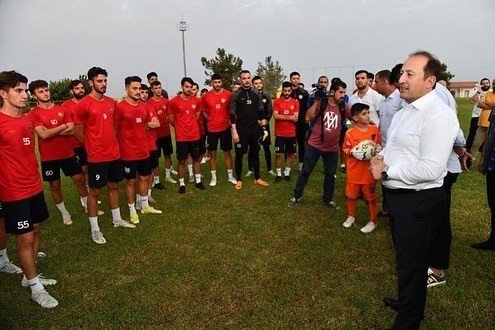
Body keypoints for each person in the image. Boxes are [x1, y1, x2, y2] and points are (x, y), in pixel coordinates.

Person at [370, 51, 459, 329]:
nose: (402, 80)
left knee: (412, 262)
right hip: (399, 198)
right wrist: (380, 155)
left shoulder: (438, 115)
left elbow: (430, 169)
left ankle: (409, 320)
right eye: (402, 73)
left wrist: (386, 171)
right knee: (407, 259)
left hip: (418, 202)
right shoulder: (404, 110)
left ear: (430, 81)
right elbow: (397, 149)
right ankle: (409, 301)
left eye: (410, 74)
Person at [0, 70, 58, 308]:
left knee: (36, 231)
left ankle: (28, 276)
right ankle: (36, 288)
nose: (25, 95)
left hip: (34, 187)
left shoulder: (27, 119)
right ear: (3, 94)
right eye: (19, 91)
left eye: (25, 90)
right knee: (24, 239)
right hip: (13, 192)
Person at [74, 67, 135, 245]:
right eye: (100, 81)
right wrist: (92, 148)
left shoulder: (111, 103)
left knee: (114, 186)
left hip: (114, 154)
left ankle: (117, 220)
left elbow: (114, 127)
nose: (103, 84)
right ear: (91, 82)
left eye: (105, 81)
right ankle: (95, 229)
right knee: (94, 192)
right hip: (96, 157)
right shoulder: (84, 104)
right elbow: (78, 132)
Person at [28, 80, 89, 225]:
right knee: (55, 186)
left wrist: (50, 131)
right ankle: (65, 213)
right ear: (34, 95)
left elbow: (72, 129)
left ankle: (87, 206)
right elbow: (43, 135)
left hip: (68, 153)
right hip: (49, 157)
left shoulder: (62, 109)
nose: (45, 93)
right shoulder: (33, 114)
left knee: (80, 180)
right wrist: (62, 127)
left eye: (46, 90)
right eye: (41, 91)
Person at [289, 79, 350, 208]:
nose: (343, 95)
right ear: (333, 92)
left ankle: (328, 199)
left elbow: (355, 117)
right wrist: (317, 101)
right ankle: (297, 196)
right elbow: (307, 117)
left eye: (344, 92)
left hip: (332, 148)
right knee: (305, 171)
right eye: (340, 92)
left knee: (330, 175)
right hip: (314, 145)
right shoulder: (321, 103)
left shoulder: (344, 106)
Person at [115, 76, 162, 224]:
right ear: (127, 89)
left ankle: (145, 206)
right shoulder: (120, 107)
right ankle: (132, 210)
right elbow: (114, 129)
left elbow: (153, 123)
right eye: (134, 88)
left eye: (139, 88)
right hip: (128, 152)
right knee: (130, 181)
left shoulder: (143, 107)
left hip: (144, 150)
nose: (137, 91)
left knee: (144, 177)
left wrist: (147, 125)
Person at [342, 103, 381, 233]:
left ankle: (373, 220)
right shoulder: (350, 133)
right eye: (364, 114)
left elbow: (378, 145)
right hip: (354, 172)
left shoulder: (374, 129)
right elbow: (345, 149)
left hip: (369, 172)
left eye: (368, 113)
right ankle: (351, 216)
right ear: (355, 118)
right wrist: (352, 152)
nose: (368, 115)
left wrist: (378, 149)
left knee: (370, 197)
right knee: (351, 195)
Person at [229, 70, 269, 189]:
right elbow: (232, 115)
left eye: (248, 78)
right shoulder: (235, 95)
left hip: (255, 130)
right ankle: (239, 179)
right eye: (244, 78)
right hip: (241, 130)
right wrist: (234, 132)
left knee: (255, 153)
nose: (246, 80)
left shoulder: (256, 93)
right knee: (239, 155)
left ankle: (257, 178)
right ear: (240, 80)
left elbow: (261, 111)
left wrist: (264, 128)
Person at [373, 70, 403, 217]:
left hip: (397, 149)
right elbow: (382, 124)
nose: (374, 85)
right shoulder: (383, 100)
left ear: (385, 81)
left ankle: (396, 209)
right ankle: (386, 208)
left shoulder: (400, 99)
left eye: (376, 82)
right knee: (384, 178)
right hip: (384, 147)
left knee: (394, 178)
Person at [168, 77, 205, 194]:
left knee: (196, 159)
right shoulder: (174, 101)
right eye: (186, 87)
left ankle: (198, 181)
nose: (189, 89)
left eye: (190, 87)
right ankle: (182, 183)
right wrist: (180, 126)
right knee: (182, 161)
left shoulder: (196, 100)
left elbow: (198, 112)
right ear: (182, 87)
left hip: (195, 136)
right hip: (181, 137)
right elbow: (170, 118)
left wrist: (191, 123)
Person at [201, 73, 237, 186]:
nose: (217, 84)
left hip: (225, 128)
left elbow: (232, 110)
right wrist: (210, 119)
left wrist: (230, 122)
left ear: (221, 82)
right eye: (215, 82)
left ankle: (230, 177)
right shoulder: (206, 96)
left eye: (219, 82)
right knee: (212, 154)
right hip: (212, 129)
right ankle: (213, 178)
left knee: (227, 153)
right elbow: (203, 110)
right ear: (211, 83)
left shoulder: (228, 94)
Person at [473, 103, 495, 251]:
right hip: (492, 163)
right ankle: (493, 240)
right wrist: (482, 158)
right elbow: (489, 133)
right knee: (493, 202)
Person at [149, 80, 177, 185]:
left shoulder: (166, 102)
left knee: (167, 155)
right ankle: (156, 180)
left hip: (166, 133)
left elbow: (169, 117)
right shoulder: (149, 103)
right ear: (152, 90)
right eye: (155, 88)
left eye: (159, 87)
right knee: (155, 159)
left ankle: (168, 176)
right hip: (154, 136)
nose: (158, 90)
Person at [248, 76, 275, 177]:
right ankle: (250, 169)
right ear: (252, 85)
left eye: (260, 83)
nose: (258, 85)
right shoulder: (249, 96)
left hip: (264, 125)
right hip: (253, 126)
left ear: (262, 84)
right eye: (256, 83)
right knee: (252, 148)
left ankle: (269, 169)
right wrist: (255, 121)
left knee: (266, 147)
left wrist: (265, 121)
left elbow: (269, 110)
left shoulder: (266, 95)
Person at [273, 81, 299, 182]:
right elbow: (275, 116)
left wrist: (281, 116)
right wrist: (290, 117)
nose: (287, 93)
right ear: (282, 90)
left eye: (289, 91)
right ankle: (279, 174)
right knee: (278, 154)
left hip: (291, 133)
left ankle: (287, 173)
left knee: (289, 154)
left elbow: (296, 118)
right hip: (279, 133)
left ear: (291, 91)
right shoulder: (277, 101)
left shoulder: (295, 102)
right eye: (285, 91)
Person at [469, 78, 495, 159]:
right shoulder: (487, 93)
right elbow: (479, 104)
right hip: (481, 121)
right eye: (494, 83)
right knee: (475, 142)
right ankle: (469, 160)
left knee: (489, 145)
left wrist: (486, 103)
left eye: (487, 83)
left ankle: (485, 162)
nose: (486, 85)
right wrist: (492, 105)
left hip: (492, 124)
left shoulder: (488, 92)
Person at [290, 71, 310, 170]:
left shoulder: (304, 93)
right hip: (289, 123)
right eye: (294, 78)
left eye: (297, 78)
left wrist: (307, 120)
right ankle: (288, 165)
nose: (296, 80)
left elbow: (307, 108)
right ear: (290, 80)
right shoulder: (286, 92)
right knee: (289, 143)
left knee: (301, 143)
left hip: (301, 122)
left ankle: (301, 163)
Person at [466, 78, 491, 152]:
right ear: (481, 84)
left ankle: (481, 148)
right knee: (472, 133)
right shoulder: (476, 91)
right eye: (483, 83)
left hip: (486, 116)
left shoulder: (491, 92)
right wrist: (478, 92)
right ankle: (468, 148)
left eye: (487, 83)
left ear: (489, 84)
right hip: (476, 115)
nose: (485, 84)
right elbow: (472, 101)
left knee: (485, 134)